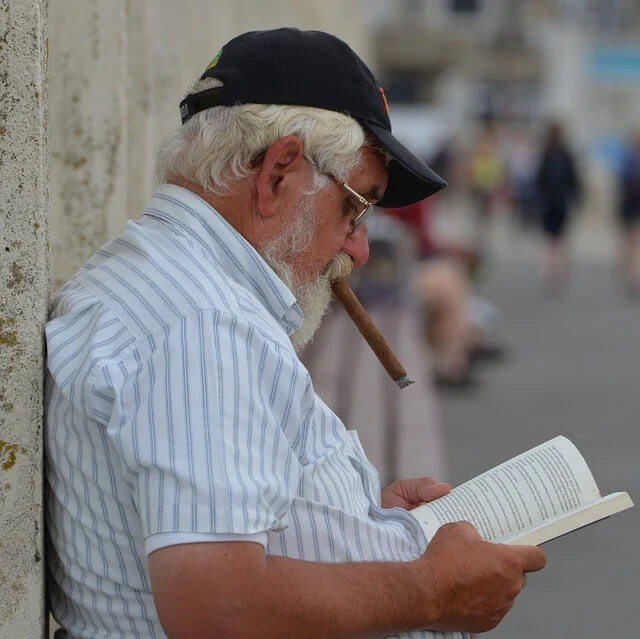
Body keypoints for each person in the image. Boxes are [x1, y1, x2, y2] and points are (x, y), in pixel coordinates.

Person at [45, 28, 545, 639]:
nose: (358, 249)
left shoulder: (159, 276)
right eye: (358, 207)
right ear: (279, 172)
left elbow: (203, 529)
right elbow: (219, 609)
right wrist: (431, 590)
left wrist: (357, 523)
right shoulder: (206, 326)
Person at [534, 121, 581, 292]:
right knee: (559, 239)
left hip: (550, 203)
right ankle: (557, 270)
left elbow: (539, 180)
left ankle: (550, 270)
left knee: (550, 239)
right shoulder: (564, 154)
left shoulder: (546, 153)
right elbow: (574, 180)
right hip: (559, 202)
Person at [616, 131, 640, 295]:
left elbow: (620, 187)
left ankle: (631, 275)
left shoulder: (626, 161)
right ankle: (635, 274)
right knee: (637, 244)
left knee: (629, 244)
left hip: (628, 208)